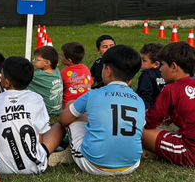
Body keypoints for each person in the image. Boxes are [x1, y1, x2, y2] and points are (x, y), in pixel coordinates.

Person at [44, 45, 145, 175]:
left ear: (108, 71)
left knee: (72, 109)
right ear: (130, 80)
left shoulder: (93, 94)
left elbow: (63, 120)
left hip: (93, 164)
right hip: (131, 165)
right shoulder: (139, 100)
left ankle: (55, 151)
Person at [0, 57, 60, 174]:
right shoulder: (37, 98)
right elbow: (40, 135)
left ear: (7, 82)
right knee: (59, 127)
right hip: (35, 165)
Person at [27, 45, 63, 116]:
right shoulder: (56, 71)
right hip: (58, 109)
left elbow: (21, 82)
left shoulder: (37, 76)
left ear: (47, 63)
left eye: (36, 59)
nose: (33, 61)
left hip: (46, 111)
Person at [60, 41, 93, 108]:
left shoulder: (64, 72)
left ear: (69, 60)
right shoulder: (85, 68)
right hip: (86, 104)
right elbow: (90, 83)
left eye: (62, 56)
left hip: (69, 106)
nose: (61, 57)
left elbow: (59, 88)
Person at [136, 43, 166, 109]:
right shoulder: (167, 74)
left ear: (156, 64)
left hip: (152, 111)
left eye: (144, 60)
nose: (140, 62)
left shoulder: (146, 75)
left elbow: (145, 96)